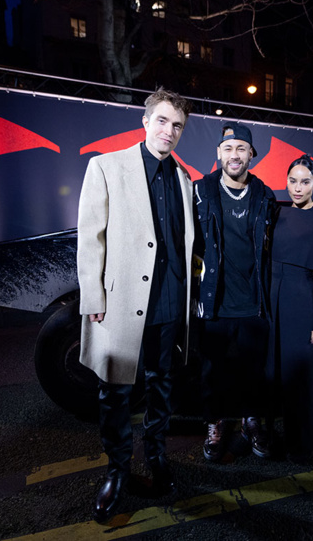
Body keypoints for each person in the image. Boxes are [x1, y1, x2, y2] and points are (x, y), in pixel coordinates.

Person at [77, 88, 195, 522]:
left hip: (168, 298)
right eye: (163, 121)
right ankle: (117, 470)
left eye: (177, 125)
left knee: (161, 385)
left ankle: (157, 457)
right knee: (115, 390)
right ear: (145, 121)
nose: (169, 131)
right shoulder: (106, 166)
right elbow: (91, 236)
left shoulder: (184, 179)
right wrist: (93, 295)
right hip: (121, 300)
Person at [193, 121, 276, 462]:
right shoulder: (201, 190)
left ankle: (250, 422)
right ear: (218, 154)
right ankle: (215, 425)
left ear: (252, 155)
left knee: (252, 373)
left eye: (241, 148)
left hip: (253, 302)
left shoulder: (264, 195)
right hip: (213, 302)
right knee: (213, 372)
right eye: (228, 148)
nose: (234, 155)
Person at [269, 154, 313, 461]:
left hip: (301, 299)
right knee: (271, 372)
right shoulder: (276, 213)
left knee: (301, 375)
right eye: (292, 181)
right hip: (271, 295)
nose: (297, 188)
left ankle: (306, 443)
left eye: (305, 182)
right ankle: (266, 437)